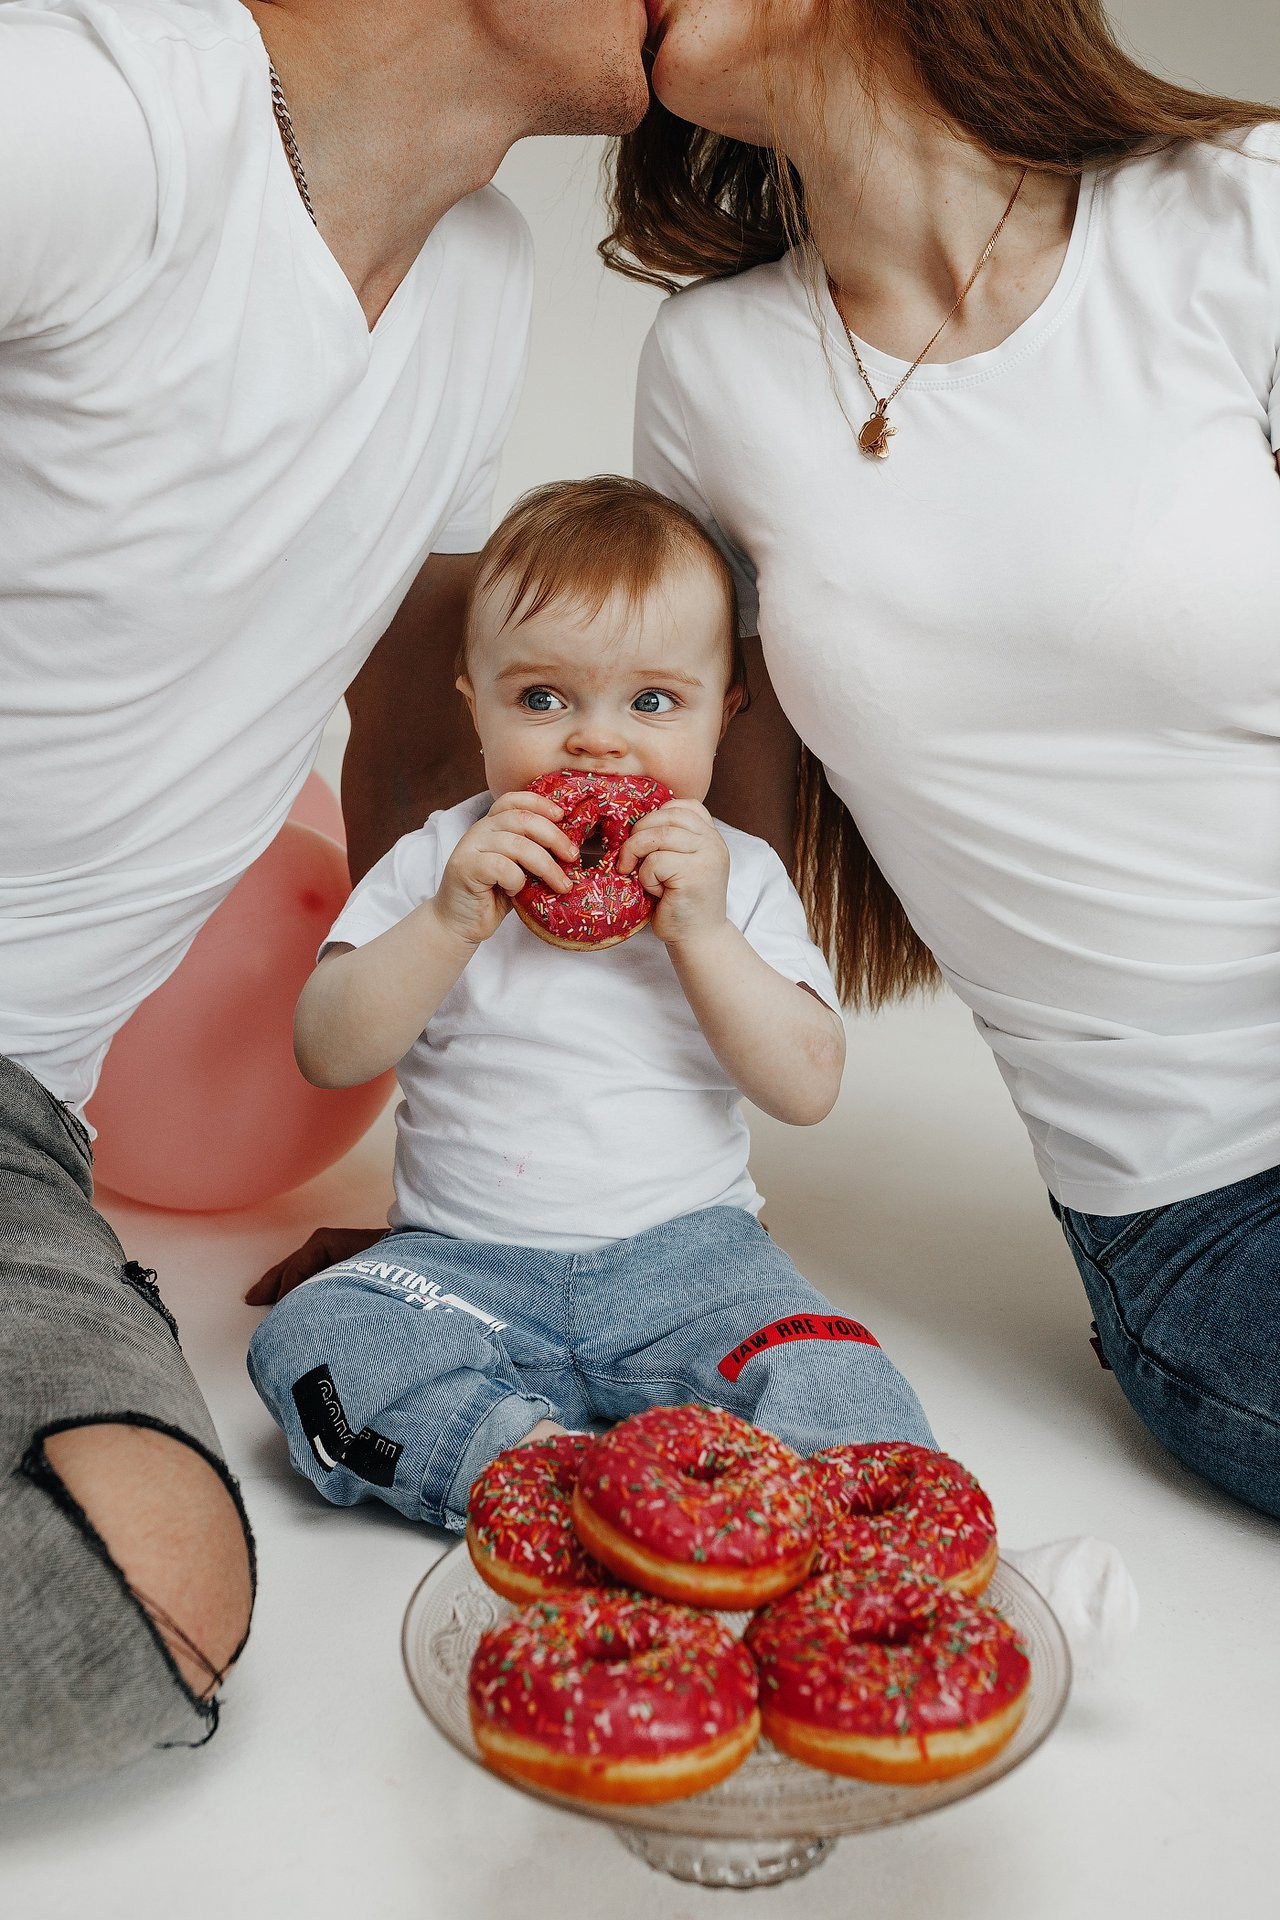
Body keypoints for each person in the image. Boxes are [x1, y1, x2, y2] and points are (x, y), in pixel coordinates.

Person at [0, 0, 654, 1796]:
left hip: (15, 1123)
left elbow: (411, 766)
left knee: (144, 1576)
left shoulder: (480, 276)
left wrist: (468, 1199)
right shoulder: (95, 114)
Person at [599, 0, 1280, 1516]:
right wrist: (501, 1209)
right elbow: (716, 887)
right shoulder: (713, 372)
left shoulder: (1240, 207)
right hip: (1209, 1206)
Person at [246, 477, 933, 1527]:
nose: (595, 744)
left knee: (838, 1377)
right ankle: (544, 1478)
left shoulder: (733, 876)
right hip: (460, 1268)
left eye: (652, 702)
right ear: (475, 705)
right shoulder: (444, 863)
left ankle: (834, 1542)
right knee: (312, 1348)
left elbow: (805, 1086)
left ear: (721, 715)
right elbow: (326, 1051)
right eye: (542, 699)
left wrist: (700, 935)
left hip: (695, 1267)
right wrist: (446, 924)